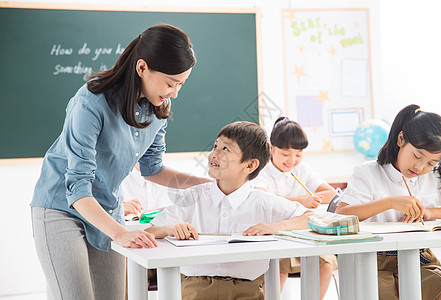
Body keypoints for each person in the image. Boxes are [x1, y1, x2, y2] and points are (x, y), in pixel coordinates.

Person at [30, 24, 210, 300]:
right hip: (61, 207)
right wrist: (120, 234)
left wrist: (204, 184)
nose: (174, 93)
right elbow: (77, 187)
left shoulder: (159, 106)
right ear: (141, 68)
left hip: (107, 207)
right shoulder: (91, 101)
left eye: (180, 84)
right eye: (170, 83)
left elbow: (154, 169)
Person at [145, 121, 314, 300]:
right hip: (195, 289)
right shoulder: (194, 197)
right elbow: (148, 232)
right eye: (215, 146)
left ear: (249, 166)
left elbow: (312, 218)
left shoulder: (262, 201)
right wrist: (169, 229)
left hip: (247, 290)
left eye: (226, 149)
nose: (214, 154)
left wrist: (278, 226)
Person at [335, 104, 441, 300]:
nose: (421, 167)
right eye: (417, 155)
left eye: (431, 163)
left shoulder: (435, 178)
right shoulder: (368, 173)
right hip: (372, 260)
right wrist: (390, 202)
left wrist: (431, 213)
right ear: (401, 138)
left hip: (419, 259)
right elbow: (341, 215)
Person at [252, 116, 337, 298]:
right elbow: (262, 198)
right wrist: (301, 201)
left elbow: (331, 194)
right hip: (272, 235)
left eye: (298, 155)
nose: (292, 160)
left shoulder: (302, 170)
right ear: (271, 148)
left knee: (326, 264)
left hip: (300, 234)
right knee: (281, 268)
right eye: (285, 154)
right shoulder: (261, 170)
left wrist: (313, 198)